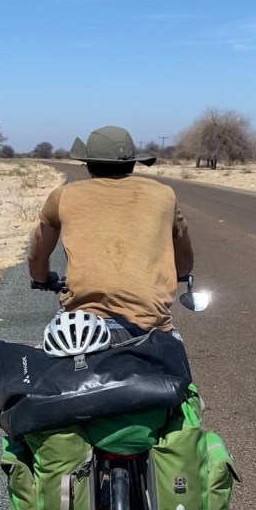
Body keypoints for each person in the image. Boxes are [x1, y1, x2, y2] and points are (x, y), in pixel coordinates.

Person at [28, 125, 194, 358]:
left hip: (82, 324)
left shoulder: (63, 194)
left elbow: (38, 249)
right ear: (133, 164)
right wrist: (178, 274)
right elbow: (184, 261)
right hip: (148, 325)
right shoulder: (164, 194)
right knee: (177, 373)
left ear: (88, 165)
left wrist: (41, 278)